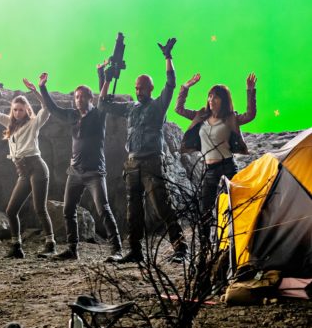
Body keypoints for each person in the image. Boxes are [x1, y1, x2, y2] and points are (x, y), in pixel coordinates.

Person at [99, 38, 188, 264]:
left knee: (162, 206)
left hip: (151, 162)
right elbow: (103, 105)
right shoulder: (131, 108)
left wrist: (168, 57)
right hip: (132, 164)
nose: (139, 91)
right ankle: (135, 251)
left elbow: (171, 84)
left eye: (142, 88)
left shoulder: (158, 106)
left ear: (151, 88)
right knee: (134, 210)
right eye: (137, 88)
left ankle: (181, 249)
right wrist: (107, 80)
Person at [30, 65, 123, 261]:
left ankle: (117, 249)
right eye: (76, 97)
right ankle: (72, 250)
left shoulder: (99, 114)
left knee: (103, 209)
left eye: (82, 97)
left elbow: (103, 99)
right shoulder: (72, 115)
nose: (79, 99)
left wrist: (102, 76)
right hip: (75, 172)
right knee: (68, 210)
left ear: (90, 99)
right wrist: (43, 87)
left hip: (95, 172)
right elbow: (53, 109)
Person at [175, 72, 257, 246]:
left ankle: (238, 244)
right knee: (205, 212)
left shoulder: (231, 118)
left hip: (228, 167)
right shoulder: (201, 115)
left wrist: (250, 91)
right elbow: (179, 109)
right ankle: (206, 248)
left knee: (235, 207)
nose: (211, 100)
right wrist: (186, 87)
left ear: (223, 100)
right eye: (210, 96)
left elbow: (250, 115)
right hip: (209, 170)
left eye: (216, 97)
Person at [0, 76, 56, 259]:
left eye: (21, 110)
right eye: (15, 110)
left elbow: (47, 108)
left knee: (39, 208)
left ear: (26, 110)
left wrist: (35, 91)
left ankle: (50, 245)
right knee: (11, 210)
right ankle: (16, 247)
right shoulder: (9, 124)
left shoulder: (33, 123)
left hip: (37, 167)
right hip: (23, 171)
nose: (17, 113)